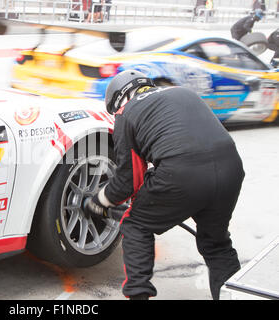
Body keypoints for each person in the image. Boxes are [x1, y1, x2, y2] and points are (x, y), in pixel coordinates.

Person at [84, 70, 245, 300]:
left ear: (119, 99)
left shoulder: (126, 112)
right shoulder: (183, 93)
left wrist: (99, 201)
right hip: (231, 170)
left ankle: (138, 296)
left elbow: (127, 181)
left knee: (136, 226)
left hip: (183, 174)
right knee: (216, 245)